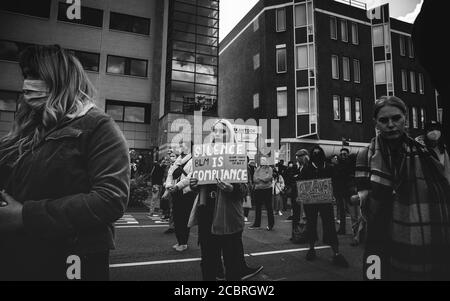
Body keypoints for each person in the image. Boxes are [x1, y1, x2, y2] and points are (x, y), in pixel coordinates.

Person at [0, 45, 130, 281]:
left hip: (72, 258)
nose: (27, 84)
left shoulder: (97, 126)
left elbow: (110, 199)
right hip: (17, 254)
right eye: (26, 75)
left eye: (36, 76)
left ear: (60, 80)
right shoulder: (27, 128)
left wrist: (25, 215)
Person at [355, 96, 450, 280]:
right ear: (376, 123)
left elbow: (441, 191)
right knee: (374, 275)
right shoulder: (365, 155)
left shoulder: (425, 153)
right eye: (384, 120)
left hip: (419, 232)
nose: (390, 124)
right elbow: (365, 201)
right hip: (379, 233)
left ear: (405, 118)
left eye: (396, 118)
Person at [189, 119, 263, 281]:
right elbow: (199, 181)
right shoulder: (205, 154)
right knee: (208, 261)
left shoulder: (238, 155)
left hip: (228, 215)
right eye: (215, 130)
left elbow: (246, 188)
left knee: (232, 262)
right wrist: (194, 184)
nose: (218, 134)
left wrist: (232, 189)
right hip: (206, 212)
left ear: (229, 133)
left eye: (222, 131)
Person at [301, 146, 349, 267]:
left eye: (318, 153)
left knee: (329, 225)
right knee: (311, 224)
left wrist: (333, 194)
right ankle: (311, 249)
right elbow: (301, 183)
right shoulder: (307, 168)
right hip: (311, 200)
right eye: (315, 153)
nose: (317, 154)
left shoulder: (328, 167)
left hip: (325, 200)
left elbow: (336, 181)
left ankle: (336, 253)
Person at [166, 142, 193, 252]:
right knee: (176, 218)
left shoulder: (194, 160)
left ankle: (183, 243)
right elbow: (170, 174)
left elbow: (190, 177)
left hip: (186, 193)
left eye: (185, 146)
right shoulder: (178, 160)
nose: (182, 148)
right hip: (175, 193)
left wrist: (177, 186)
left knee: (184, 219)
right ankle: (179, 241)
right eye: (181, 146)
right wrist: (168, 186)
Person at [332, 148, 357, 239]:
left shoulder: (349, 163)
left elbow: (344, 172)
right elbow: (335, 176)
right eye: (341, 154)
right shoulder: (338, 164)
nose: (343, 156)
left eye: (345, 154)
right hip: (339, 190)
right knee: (342, 210)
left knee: (352, 211)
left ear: (348, 154)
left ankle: (355, 230)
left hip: (348, 191)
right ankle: (342, 229)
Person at [249, 156, 274, 231]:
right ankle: (257, 224)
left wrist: (260, 179)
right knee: (258, 207)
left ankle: (271, 224)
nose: (262, 162)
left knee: (269, 207)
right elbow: (254, 179)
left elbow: (268, 178)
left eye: (263, 160)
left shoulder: (269, 169)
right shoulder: (258, 169)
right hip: (258, 190)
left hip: (267, 189)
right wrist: (262, 179)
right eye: (261, 160)